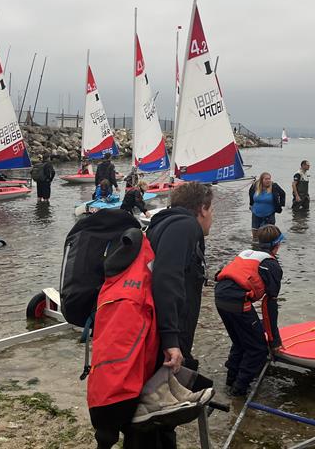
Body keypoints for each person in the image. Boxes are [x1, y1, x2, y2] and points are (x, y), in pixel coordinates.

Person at [131, 182, 213, 447]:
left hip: (152, 331)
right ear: (202, 209)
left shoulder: (162, 224)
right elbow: (166, 280)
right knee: (156, 416)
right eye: (212, 210)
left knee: (157, 415)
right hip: (161, 339)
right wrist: (172, 341)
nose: (212, 218)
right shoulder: (184, 227)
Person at [214, 225, 284, 396]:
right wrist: (274, 341)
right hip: (237, 301)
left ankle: (230, 381)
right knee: (258, 349)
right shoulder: (272, 266)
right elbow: (269, 306)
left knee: (240, 341)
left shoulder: (245, 254)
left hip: (219, 297)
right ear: (278, 245)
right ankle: (239, 391)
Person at [248, 172, 285, 241]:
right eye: (266, 179)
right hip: (256, 213)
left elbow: (283, 194)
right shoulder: (255, 185)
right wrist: (251, 204)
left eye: (269, 179)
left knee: (268, 235)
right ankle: (255, 248)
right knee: (255, 236)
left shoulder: (274, 186)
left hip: (269, 214)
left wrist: (280, 205)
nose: (268, 181)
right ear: (262, 180)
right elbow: (251, 194)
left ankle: (268, 248)